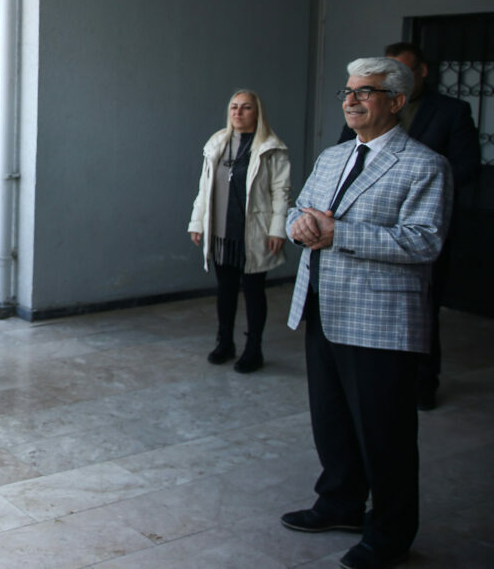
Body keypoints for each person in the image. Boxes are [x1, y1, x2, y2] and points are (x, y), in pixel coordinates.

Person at [281, 57, 451, 569]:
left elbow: (426, 242)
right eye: (348, 91)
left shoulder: (424, 164)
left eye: (366, 92)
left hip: (380, 320)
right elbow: (299, 209)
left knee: (385, 433)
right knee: (331, 420)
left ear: (396, 101)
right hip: (322, 305)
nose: (351, 100)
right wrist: (298, 227)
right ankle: (340, 503)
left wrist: (339, 234)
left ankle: (391, 532)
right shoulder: (332, 157)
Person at [337, 41, 479, 410]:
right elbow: (346, 162)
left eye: (401, 71)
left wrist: (417, 184)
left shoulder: (451, 112)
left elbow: (466, 166)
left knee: (421, 307)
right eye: (351, 91)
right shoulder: (359, 116)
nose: (353, 99)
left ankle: (422, 381)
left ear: (419, 73)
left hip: (422, 222)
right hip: (366, 229)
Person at [187, 89, 291, 373]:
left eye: (245, 108)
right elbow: (204, 188)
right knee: (226, 290)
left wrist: (278, 229)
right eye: (234, 107)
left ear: (257, 112)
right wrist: (198, 222)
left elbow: (281, 192)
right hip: (222, 231)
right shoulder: (217, 143)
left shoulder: (271, 147)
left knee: (254, 291)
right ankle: (225, 343)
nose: (238, 112)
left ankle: (253, 348)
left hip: (253, 232)